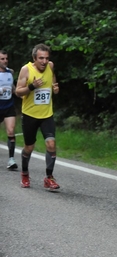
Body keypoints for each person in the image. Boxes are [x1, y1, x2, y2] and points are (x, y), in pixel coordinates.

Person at [15, 43, 60, 190]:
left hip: (47, 114)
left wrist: (55, 87)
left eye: (46, 58)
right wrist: (32, 86)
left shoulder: (50, 66)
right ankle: (25, 173)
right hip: (30, 115)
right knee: (29, 147)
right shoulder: (26, 70)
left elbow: (52, 79)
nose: (44, 62)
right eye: (41, 58)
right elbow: (18, 92)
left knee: (51, 144)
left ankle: (49, 177)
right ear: (34, 58)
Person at [0, 50, 18, 170]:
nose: (5, 61)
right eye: (2, 59)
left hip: (8, 106)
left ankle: (11, 159)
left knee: (11, 131)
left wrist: (20, 93)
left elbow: (13, 88)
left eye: (6, 58)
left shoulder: (10, 72)